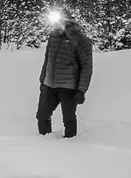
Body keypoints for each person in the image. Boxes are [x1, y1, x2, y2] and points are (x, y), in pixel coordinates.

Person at [36, 10, 93, 138]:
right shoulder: (53, 36)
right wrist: (42, 80)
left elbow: (87, 66)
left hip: (69, 86)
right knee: (42, 116)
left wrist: (81, 90)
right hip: (49, 84)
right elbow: (47, 58)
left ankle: (70, 146)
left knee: (68, 119)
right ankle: (44, 143)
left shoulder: (81, 39)